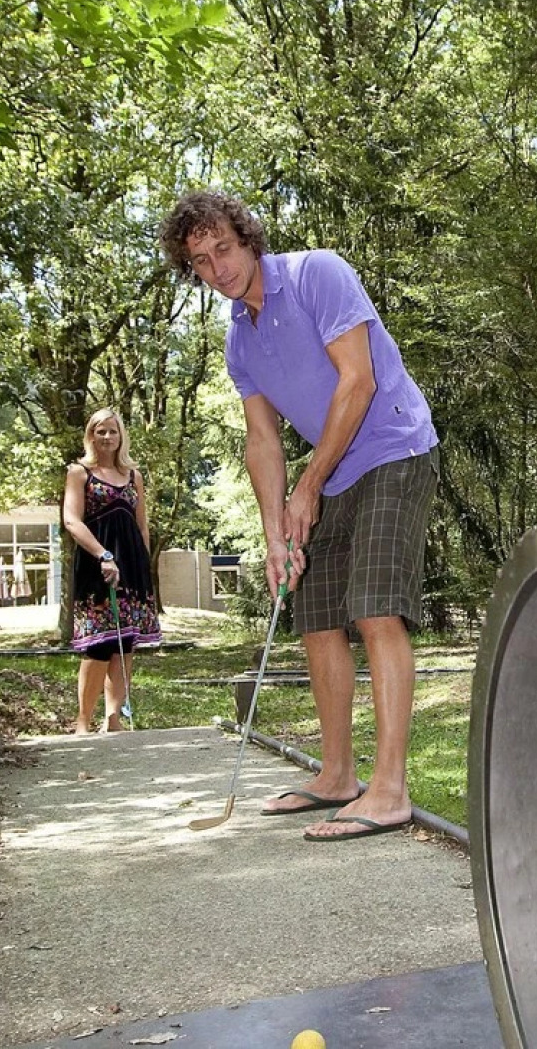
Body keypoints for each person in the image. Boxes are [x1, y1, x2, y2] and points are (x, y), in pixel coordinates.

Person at [158, 192, 439, 841]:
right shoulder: (240, 342)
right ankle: (337, 774)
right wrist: (274, 533)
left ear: (247, 238)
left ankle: (389, 788)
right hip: (334, 469)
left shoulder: (318, 273)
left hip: (395, 446)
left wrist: (307, 486)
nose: (217, 267)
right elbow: (261, 439)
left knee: (373, 607)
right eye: (199, 261)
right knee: (314, 617)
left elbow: (357, 382)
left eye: (223, 248)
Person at [63, 407, 163, 733]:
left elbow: (142, 526)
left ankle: (113, 718)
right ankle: (82, 721)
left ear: (122, 436)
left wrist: (142, 565)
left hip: (132, 566)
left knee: (125, 643)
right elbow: (71, 521)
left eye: (113, 431)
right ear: (91, 435)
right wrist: (103, 554)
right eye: (100, 431)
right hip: (97, 565)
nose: (107, 437)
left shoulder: (134, 476)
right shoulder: (79, 472)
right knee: (98, 645)